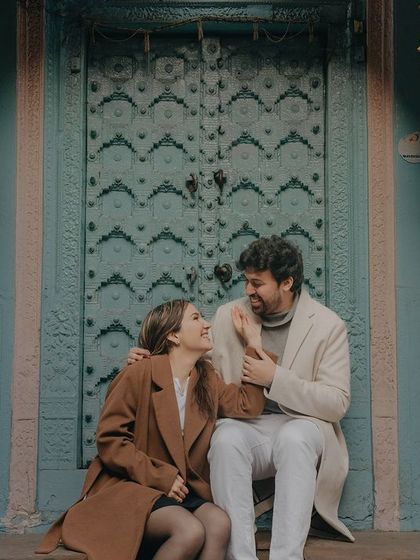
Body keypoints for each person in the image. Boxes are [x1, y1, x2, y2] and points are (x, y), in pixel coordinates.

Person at [128, 236, 354, 560]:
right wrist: (152, 361)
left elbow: (336, 403)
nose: (248, 291)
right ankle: (240, 556)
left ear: (287, 282)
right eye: (246, 281)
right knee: (225, 438)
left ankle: (287, 557)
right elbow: (196, 370)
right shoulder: (227, 315)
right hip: (247, 422)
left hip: (303, 425)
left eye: (257, 283)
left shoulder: (328, 326)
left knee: (294, 437)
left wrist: (274, 378)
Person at [36, 300, 265, 560]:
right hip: (132, 486)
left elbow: (248, 406)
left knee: (218, 523)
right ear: (173, 335)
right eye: (195, 318)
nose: (206, 325)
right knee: (189, 531)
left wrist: (254, 345)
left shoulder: (206, 379)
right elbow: (110, 441)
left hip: (180, 492)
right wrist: (161, 477)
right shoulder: (139, 373)